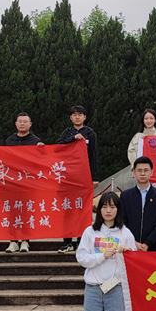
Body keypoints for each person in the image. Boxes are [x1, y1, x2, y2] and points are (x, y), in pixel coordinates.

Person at [76, 191, 136, 311]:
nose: (108, 210)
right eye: (104, 206)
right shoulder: (90, 232)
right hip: (93, 289)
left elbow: (135, 261)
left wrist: (128, 252)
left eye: (112, 206)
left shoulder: (125, 233)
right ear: (99, 209)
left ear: (118, 209)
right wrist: (102, 256)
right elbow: (81, 258)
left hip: (116, 289)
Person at [56, 105, 99, 253]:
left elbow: (94, 156)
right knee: (67, 209)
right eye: (74, 115)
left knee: (83, 210)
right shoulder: (66, 133)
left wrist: (94, 177)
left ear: (85, 117)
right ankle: (67, 242)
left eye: (80, 114)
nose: (77, 117)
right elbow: (57, 147)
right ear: (70, 117)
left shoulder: (90, 133)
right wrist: (73, 138)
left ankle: (82, 241)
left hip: (84, 177)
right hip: (68, 177)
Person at [4, 112, 44, 253]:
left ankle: (25, 241)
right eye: (20, 121)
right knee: (12, 212)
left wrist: (42, 150)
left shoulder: (35, 141)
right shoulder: (9, 141)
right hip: (12, 182)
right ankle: (13, 241)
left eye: (25, 121)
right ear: (16, 124)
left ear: (30, 124)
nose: (22, 124)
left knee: (27, 211)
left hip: (28, 183)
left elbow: (41, 161)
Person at [121, 156, 156, 251]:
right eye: (139, 170)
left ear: (151, 172)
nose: (142, 173)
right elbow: (122, 221)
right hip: (130, 247)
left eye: (146, 170)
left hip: (152, 247)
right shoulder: (125, 196)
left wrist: (148, 243)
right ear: (134, 173)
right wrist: (133, 242)